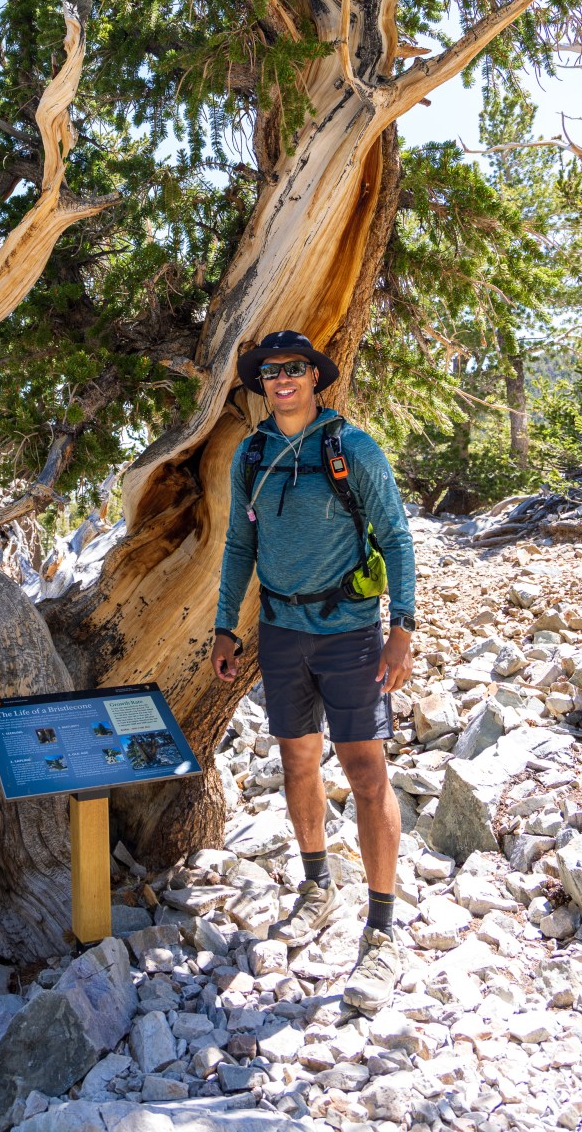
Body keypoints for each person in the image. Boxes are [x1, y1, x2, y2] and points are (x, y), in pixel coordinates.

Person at [211, 330, 416, 1015]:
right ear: (261, 384)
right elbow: (240, 544)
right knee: (297, 764)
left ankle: (381, 929)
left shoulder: (350, 449)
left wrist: (402, 630)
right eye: (270, 372)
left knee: (365, 772)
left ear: (315, 377)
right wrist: (222, 627)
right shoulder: (252, 453)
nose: (281, 379)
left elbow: (394, 536)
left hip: (351, 632)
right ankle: (315, 886)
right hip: (278, 631)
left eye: (293, 369)